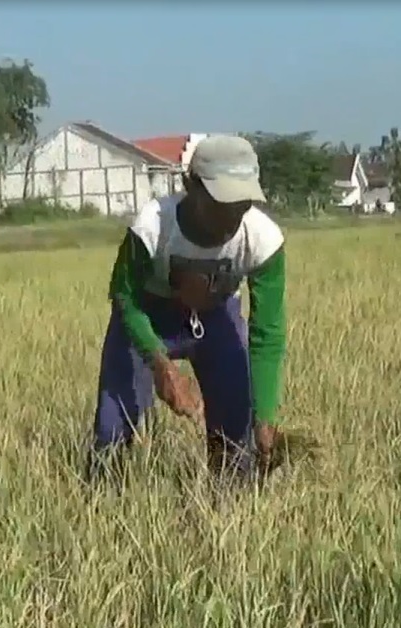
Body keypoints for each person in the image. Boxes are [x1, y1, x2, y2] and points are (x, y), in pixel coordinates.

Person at [86, 134, 287, 484]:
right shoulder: (154, 226)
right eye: (220, 203)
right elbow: (124, 296)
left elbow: (267, 333)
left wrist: (265, 415)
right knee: (114, 429)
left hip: (216, 318)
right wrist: (159, 363)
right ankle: (103, 501)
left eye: (242, 204)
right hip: (148, 315)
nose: (231, 216)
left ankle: (228, 512)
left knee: (235, 437)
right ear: (189, 185)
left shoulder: (263, 240)